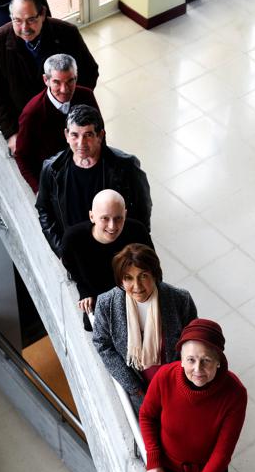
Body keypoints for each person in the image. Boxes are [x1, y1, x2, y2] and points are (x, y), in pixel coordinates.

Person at [140, 318, 247, 472]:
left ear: (219, 361)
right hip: (169, 466)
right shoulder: (165, 377)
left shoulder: (234, 394)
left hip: (210, 470)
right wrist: (154, 461)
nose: (197, 369)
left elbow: (222, 455)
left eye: (206, 361)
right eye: (190, 360)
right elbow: (147, 416)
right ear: (181, 359)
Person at [0, 0, 99, 153]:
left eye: (31, 20)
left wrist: (71, 106)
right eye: (17, 20)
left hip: (66, 119)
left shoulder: (67, 33)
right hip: (26, 125)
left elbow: (89, 71)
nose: (24, 27)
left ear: (43, 14)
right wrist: (11, 133)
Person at [36, 105, 152, 257]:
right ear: (66, 135)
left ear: (100, 135)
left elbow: (142, 211)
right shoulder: (52, 169)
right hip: (78, 253)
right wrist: (62, 250)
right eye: (75, 135)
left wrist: (131, 253)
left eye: (88, 135)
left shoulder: (125, 167)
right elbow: (44, 210)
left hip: (117, 252)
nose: (81, 143)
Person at [93, 244, 197, 410]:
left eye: (143, 276)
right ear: (121, 279)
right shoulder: (107, 304)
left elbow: (193, 342)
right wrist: (134, 388)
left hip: (178, 382)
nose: (137, 286)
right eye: (128, 278)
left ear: (155, 275)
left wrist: (182, 380)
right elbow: (102, 344)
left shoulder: (179, 299)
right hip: (140, 389)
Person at [62, 190, 153, 321]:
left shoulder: (137, 231)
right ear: (92, 216)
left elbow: (152, 268)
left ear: (125, 214)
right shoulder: (73, 240)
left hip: (138, 297)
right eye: (105, 218)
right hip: (102, 302)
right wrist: (84, 291)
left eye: (118, 218)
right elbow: (72, 269)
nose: (112, 226)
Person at [15, 53, 99, 192]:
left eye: (70, 81)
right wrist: (39, 191)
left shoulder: (87, 96)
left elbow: (99, 134)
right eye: (57, 82)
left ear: (76, 78)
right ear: (46, 80)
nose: (64, 90)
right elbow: (22, 156)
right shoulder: (32, 113)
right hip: (57, 180)